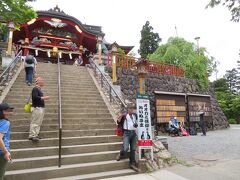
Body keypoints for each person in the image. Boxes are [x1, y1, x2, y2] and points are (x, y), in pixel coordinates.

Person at [116, 104, 139, 171]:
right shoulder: (124, 116)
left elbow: (136, 122)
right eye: (130, 108)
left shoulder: (135, 115)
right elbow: (118, 122)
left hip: (133, 133)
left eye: (133, 108)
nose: (132, 109)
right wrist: (119, 118)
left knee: (133, 149)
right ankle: (120, 154)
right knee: (125, 148)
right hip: (126, 133)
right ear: (127, 109)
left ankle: (132, 164)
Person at [29, 77, 50, 142]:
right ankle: (32, 135)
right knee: (35, 121)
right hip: (37, 107)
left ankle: (36, 134)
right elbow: (34, 97)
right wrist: (44, 98)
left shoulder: (39, 89)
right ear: (37, 81)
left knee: (38, 122)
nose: (43, 82)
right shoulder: (35, 89)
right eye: (42, 80)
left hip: (40, 107)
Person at [0, 103, 14, 179]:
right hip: (1, 152)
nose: (11, 111)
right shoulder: (5, 123)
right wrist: (6, 152)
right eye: (8, 110)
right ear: (3, 112)